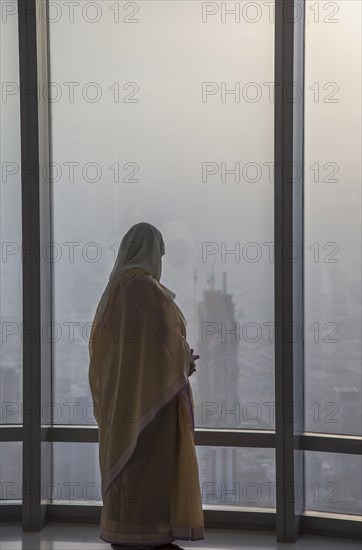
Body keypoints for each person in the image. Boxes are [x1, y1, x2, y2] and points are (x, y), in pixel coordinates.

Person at [88, 222, 205, 550]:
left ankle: (125, 531)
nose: (161, 261)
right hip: (151, 400)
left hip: (125, 397)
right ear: (150, 253)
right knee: (149, 468)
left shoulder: (116, 290)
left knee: (129, 464)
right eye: (160, 254)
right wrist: (185, 359)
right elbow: (165, 340)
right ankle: (147, 534)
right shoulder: (144, 289)